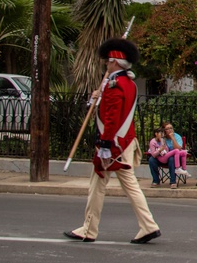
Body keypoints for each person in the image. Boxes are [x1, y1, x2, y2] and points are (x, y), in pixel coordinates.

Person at [64, 38, 160, 244]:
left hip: (113, 145)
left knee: (97, 184)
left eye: (108, 61)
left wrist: (105, 145)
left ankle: (89, 229)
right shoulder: (127, 83)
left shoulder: (115, 85)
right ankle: (148, 225)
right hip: (124, 143)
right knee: (130, 185)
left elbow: (112, 117)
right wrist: (97, 98)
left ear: (115, 62)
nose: (106, 64)